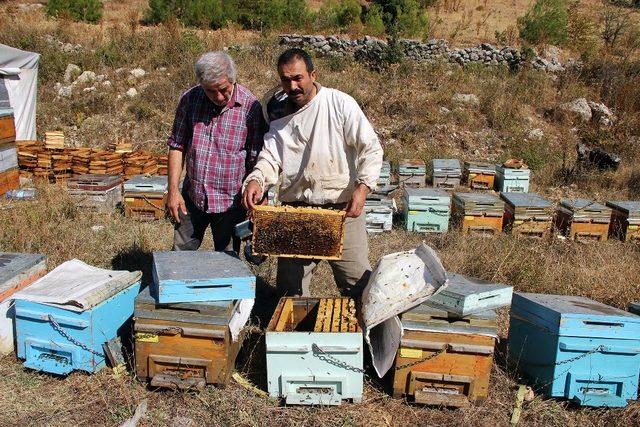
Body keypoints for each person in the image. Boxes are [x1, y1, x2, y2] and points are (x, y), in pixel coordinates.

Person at [242, 48, 383, 297]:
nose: (293, 85)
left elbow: (370, 148)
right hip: (296, 210)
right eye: (286, 80)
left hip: (342, 210)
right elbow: (270, 157)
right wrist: (256, 179)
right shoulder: (277, 111)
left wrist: (362, 188)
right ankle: (295, 335)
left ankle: (366, 335)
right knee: (290, 291)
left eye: (298, 78)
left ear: (312, 74)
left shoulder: (339, 103)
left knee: (358, 285)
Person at [167, 51, 266, 253]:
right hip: (192, 199)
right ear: (201, 85)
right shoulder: (190, 99)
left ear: (232, 79)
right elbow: (177, 145)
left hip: (230, 203)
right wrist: (173, 190)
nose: (219, 97)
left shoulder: (250, 106)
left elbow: (257, 159)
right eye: (211, 91)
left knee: (228, 263)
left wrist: (259, 197)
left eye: (223, 89)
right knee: (179, 259)